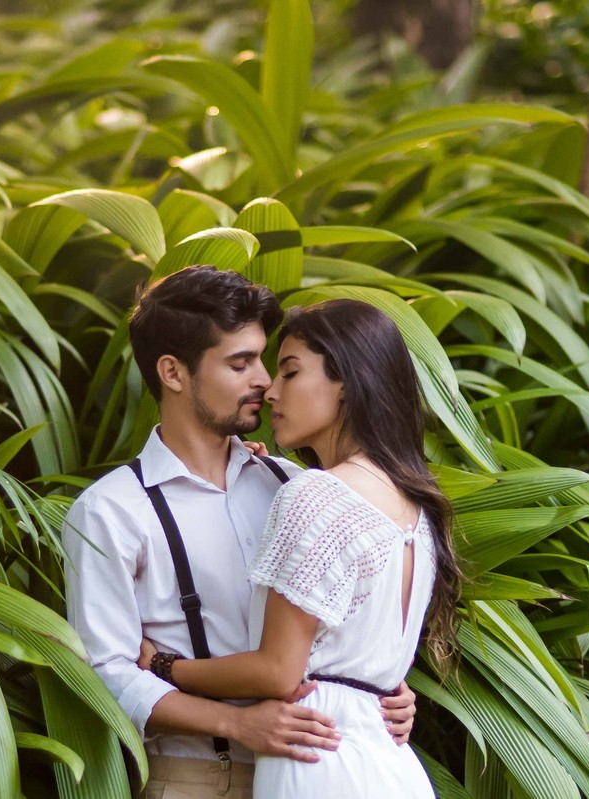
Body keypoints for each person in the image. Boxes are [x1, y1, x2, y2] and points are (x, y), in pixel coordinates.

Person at [62, 267, 417, 799]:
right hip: (199, 781)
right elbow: (105, 675)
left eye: (265, 360)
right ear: (173, 373)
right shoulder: (111, 511)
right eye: (239, 363)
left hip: (319, 773)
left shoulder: (296, 486)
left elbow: (342, 620)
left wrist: (375, 687)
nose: (264, 382)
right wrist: (235, 725)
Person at [137, 298, 462, 798]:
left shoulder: (317, 494)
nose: (270, 389)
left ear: (348, 383)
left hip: (318, 760)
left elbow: (277, 671)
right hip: (391, 766)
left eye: (290, 372)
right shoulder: (414, 505)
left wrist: (165, 666)